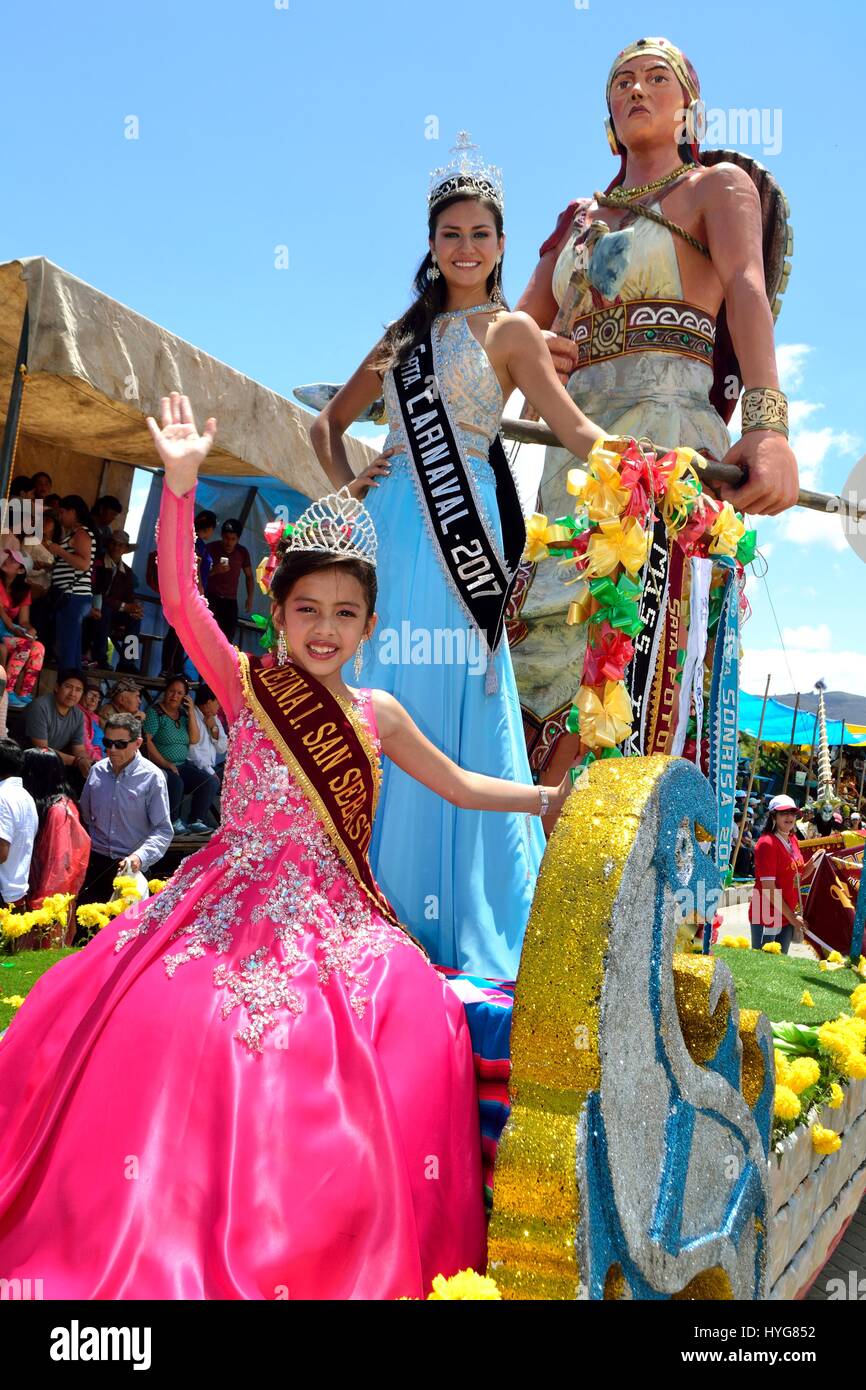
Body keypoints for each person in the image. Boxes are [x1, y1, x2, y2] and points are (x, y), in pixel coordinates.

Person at [0, 392, 575, 1299]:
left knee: (417, 1009)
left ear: (369, 626)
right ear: (279, 608)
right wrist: (181, 488)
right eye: (308, 607)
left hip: (336, 908)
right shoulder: (250, 685)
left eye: (346, 613)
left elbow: (461, 786)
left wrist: (544, 796)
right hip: (227, 900)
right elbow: (184, 600)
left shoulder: (379, 715)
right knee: (179, 1021)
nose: (325, 628)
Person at [312, 134, 603, 976]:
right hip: (395, 527)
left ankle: (460, 917)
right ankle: (368, 899)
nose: (465, 247)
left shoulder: (512, 329)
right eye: (450, 234)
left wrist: (640, 461)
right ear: (431, 244)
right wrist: (352, 496)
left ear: (502, 245)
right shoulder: (401, 336)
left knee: (461, 696)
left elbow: (571, 429)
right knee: (382, 693)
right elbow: (325, 424)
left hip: (464, 528)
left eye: (481, 234)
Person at [508, 36, 800, 789]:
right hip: (568, 468)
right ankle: (537, 851)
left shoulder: (717, 188)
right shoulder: (576, 218)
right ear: (608, 111)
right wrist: (536, 348)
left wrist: (769, 429)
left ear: (687, 104)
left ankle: (627, 871)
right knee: (542, 646)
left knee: (649, 648)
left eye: (657, 78)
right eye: (623, 81)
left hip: (671, 451)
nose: (638, 89)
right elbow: (510, 338)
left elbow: (745, 291)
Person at [77, 711, 173, 913]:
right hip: (95, 863)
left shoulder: (152, 777)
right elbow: (84, 816)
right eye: (107, 743)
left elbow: (163, 830)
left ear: (138, 743)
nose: (112, 749)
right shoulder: (97, 771)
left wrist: (139, 857)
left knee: (124, 935)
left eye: (120, 744)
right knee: (86, 933)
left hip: (131, 867)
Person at [22, 747, 90, 941]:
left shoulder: (59, 810)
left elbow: (58, 865)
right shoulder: (55, 805)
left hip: (51, 900)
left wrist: (42, 905)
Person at [750, 794, 820, 953]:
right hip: (766, 913)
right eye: (784, 813)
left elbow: (797, 877)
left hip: (787, 913)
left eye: (792, 813)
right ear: (773, 816)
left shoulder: (793, 839)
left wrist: (814, 862)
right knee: (763, 967)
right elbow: (768, 888)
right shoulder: (767, 843)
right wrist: (792, 917)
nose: (789, 817)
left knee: (780, 967)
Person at [142, 674, 212, 832]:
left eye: (179, 693)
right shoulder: (155, 712)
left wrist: (191, 712)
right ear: (166, 692)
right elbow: (147, 741)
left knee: (207, 781)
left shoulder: (183, 714)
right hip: (160, 765)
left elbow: (194, 739)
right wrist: (166, 763)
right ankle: (173, 822)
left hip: (181, 764)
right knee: (176, 782)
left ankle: (196, 820)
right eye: (172, 691)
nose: (175, 695)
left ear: (185, 697)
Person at [161, 508, 217, 675]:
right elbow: (196, 568)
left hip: (187, 592)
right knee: (177, 630)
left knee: (182, 631)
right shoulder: (195, 543)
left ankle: (175, 667)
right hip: (188, 593)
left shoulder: (196, 543)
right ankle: (168, 667)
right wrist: (198, 591)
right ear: (209, 528)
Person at [43, 495, 95, 669]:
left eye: (63, 512)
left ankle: (70, 682)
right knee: (70, 647)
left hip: (73, 596)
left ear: (73, 512)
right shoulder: (75, 533)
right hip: (71, 596)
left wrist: (59, 551)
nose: (61, 516)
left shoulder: (81, 533)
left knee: (67, 647)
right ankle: (72, 680)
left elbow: (83, 563)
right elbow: (72, 564)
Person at [24, 669, 91, 789]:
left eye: (78, 690)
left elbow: (79, 748)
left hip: (52, 763)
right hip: (28, 761)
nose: (72, 693)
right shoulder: (40, 707)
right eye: (68, 687)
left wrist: (84, 761)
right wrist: (77, 761)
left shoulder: (78, 715)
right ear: (56, 687)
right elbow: (42, 749)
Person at [88, 530, 143, 670]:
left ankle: (128, 662)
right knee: (104, 610)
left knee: (135, 618)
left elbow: (129, 598)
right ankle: (99, 658)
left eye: (121, 545)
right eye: (114, 543)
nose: (116, 548)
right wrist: (124, 606)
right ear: (109, 544)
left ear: (125, 549)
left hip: (114, 612)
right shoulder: (97, 563)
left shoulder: (127, 572)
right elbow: (96, 593)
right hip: (94, 608)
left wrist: (134, 609)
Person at [0, 547, 45, 707]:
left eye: (14, 560)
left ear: (20, 571)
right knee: (25, 645)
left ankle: (24, 692)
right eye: (9, 557)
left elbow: (24, 620)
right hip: (3, 630)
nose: (7, 560)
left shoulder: (24, 591)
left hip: (8, 632)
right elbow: (4, 616)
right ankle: (8, 690)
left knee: (38, 647)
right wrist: (16, 631)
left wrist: (30, 630)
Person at [0, 738, 38, 909]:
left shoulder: (2, 797)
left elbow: (1, 852)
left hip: (3, 895)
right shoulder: (25, 796)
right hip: (16, 894)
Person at [205, 519, 253, 643]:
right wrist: (215, 570)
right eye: (226, 538)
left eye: (233, 539)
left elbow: (249, 576)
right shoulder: (210, 549)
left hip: (230, 600)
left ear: (238, 539)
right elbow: (197, 574)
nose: (229, 542)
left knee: (228, 638)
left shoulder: (242, 552)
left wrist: (250, 598)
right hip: (210, 598)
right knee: (206, 636)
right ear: (221, 536)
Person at [186, 683, 228, 825]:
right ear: (209, 702)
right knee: (211, 781)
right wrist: (210, 771)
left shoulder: (214, 719)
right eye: (218, 702)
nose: (220, 706)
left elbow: (223, 747)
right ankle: (196, 820)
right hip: (194, 765)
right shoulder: (192, 716)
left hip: (209, 767)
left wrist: (213, 728)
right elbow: (193, 752)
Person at [89, 494, 123, 561]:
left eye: (115, 515)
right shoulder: (85, 524)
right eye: (112, 514)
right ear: (101, 510)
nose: (113, 518)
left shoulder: (107, 530)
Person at [81, 683, 105, 760]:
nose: (94, 700)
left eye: (97, 696)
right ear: (82, 695)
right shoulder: (79, 715)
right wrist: (101, 762)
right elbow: (85, 746)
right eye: (90, 695)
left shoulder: (95, 717)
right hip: (94, 760)